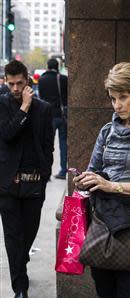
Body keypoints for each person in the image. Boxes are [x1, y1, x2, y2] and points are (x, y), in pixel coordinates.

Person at [73, 62, 130, 297]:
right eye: (113, 98)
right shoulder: (107, 131)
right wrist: (85, 180)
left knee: (129, 290)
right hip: (103, 221)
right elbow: (94, 169)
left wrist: (112, 186)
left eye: (123, 97)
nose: (117, 105)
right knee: (103, 288)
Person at [0, 60, 54, 298]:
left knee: (28, 233)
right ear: (5, 81)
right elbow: (8, 135)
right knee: (13, 236)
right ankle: (20, 288)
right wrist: (23, 108)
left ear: (28, 80)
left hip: (34, 182)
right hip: (7, 183)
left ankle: (20, 265)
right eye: (10, 83)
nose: (14, 88)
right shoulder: (1, 105)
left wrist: (46, 172)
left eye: (19, 83)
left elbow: (47, 145)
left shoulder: (43, 109)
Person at [38, 58, 68, 179]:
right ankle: (63, 171)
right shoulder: (63, 79)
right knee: (63, 144)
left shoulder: (42, 79)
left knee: (46, 145)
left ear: (47, 66)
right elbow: (66, 98)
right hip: (62, 116)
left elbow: (41, 97)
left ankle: (47, 172)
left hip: (47, 117)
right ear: (57, 66)